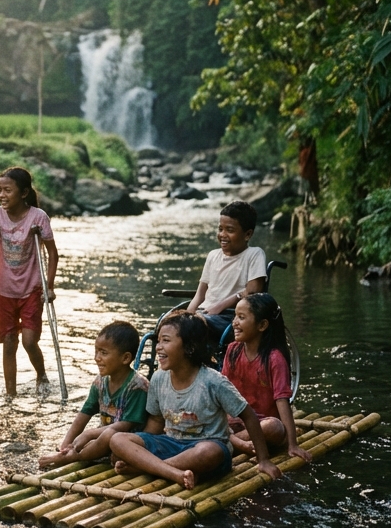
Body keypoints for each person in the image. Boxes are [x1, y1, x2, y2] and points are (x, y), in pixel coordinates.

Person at [110, 312, 281, 490]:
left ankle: (149, 468)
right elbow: (156, 421)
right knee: (118, 439)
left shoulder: (213, 381)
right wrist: (139, 446)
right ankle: (169, 470)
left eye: (166, 341)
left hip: (206, 447)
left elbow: (249, 416)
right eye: (158, 341)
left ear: (189, 347)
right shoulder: (159, 378)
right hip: (171, 443)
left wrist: (263, 460)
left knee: (210, 452)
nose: (158, 347)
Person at [0, 166, 58, 396]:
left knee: (28, 341)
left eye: (8, 190)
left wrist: (50, 286)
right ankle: (10, 395)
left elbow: (53, 253)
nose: (2, 195)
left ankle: (41, 374)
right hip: (5, 289)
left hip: (32, 288)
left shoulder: (38, 217)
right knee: (8, 342)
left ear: (23, 193)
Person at [39, 321, 148, 468]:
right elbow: (84, 413)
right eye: (96, 351)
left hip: (127, 444)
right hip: (103, 440)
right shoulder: (100, 382)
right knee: (92, 440)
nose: (97, 358)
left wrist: (89, 434)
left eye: (104, 353)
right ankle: (67, 455)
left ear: (125, 358)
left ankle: (72, 458)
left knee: (109, 435)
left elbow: (125, 425)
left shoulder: (137, 386)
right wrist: (64, 446)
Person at [223, 292, 311, 461]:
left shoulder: (274, 359)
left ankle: (228, 444)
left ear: (262, 325)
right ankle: (233, 442)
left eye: (241, 317)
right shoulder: (233, 350)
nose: (234, 322)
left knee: (273, 427)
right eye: (235, 316)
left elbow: (282, 401)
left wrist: (292, 444)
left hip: (261, 425)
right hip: (234, 423)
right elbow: (222, 390)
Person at [184, 200, 267, 340]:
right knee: (169, 323)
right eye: (220, 229)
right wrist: (186, 316)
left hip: (230, 316)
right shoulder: (213, 256)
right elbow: (200, 295)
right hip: (204, 313)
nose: (222, 234)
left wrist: (219, 306)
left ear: (247, 234)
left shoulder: (254, 254)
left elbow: (253, 291)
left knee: (196, 325)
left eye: (230, 230)